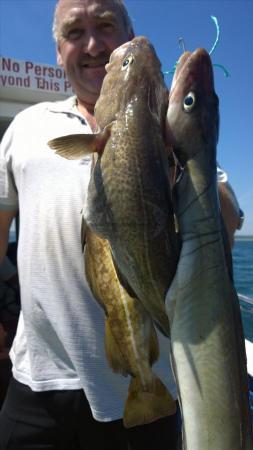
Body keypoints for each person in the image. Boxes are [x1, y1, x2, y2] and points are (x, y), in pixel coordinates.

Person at [0, 1, 242, 449]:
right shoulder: (27, 126)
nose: (92, 44)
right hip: (37, 381)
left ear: (127, 35)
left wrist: (181, 148)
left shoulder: (170, 137)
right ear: (58, 50)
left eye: (106, 27)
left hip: (151, 384)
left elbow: (225, 223)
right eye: (76, 32)